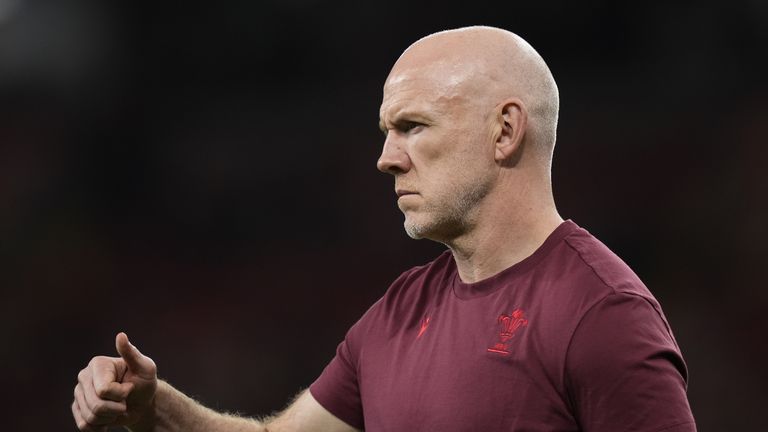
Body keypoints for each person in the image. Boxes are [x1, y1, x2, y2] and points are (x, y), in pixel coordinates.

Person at [71, 26, 696, 432]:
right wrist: (155, 411)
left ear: (505, 131)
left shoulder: (601, 314)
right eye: (386, 133)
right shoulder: (400, 310)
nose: (387, 157)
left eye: (414, 126)